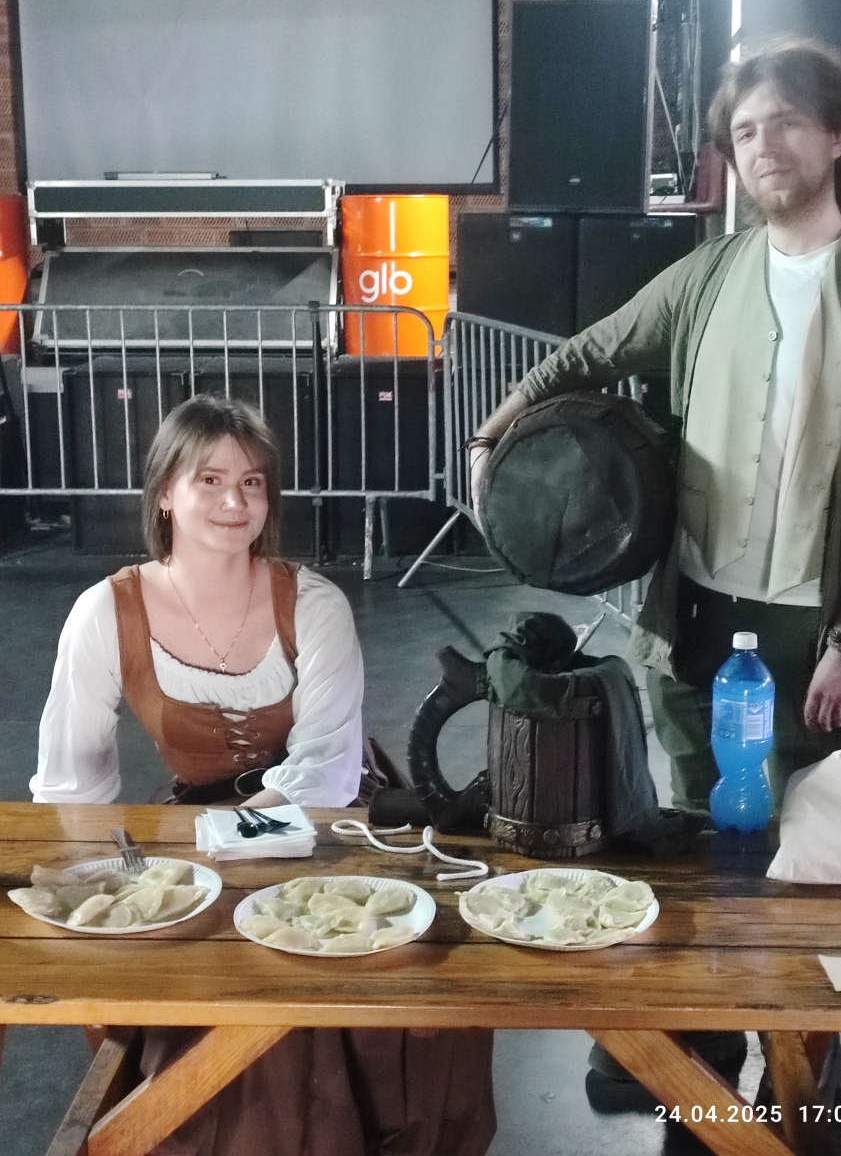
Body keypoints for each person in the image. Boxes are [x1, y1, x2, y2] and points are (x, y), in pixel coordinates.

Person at [33, 394, 496, 1156]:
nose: (234, 501)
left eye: (252, 483)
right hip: (197, 824)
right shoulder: (104, 612)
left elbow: (324, 768)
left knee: (387, 970)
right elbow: (73, 783)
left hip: (336, 820)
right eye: (210, 480)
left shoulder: (313, 603)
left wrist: (222, 840)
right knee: (222, 994)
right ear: (165, 494)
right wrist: (122, 875)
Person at [470, 37, 841, 818]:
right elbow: (591, 353)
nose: (764, 145)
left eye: (787, 121)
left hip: (816, 630)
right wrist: (488, 438)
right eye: (745, 130)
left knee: (813, 837)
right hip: (693, 616)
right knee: (700, 830)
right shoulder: (707, 274)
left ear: (838, 135)